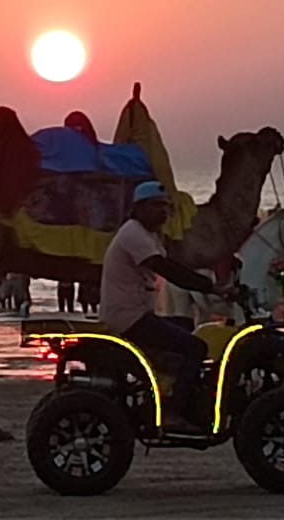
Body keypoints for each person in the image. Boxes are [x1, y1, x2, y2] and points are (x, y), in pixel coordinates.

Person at [100, 180, 221, 434]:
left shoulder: (148, 235)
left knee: (187, 325)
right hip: (129, 317)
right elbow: (167, 269)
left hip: (138, 314)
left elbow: (174, 265)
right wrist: (211, 287)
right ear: (139, 207)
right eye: (156, 206)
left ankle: (172, 381)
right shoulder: (133, 234)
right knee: (196, 347)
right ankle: (173, 412)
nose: (163, 212)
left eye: (165, 206)